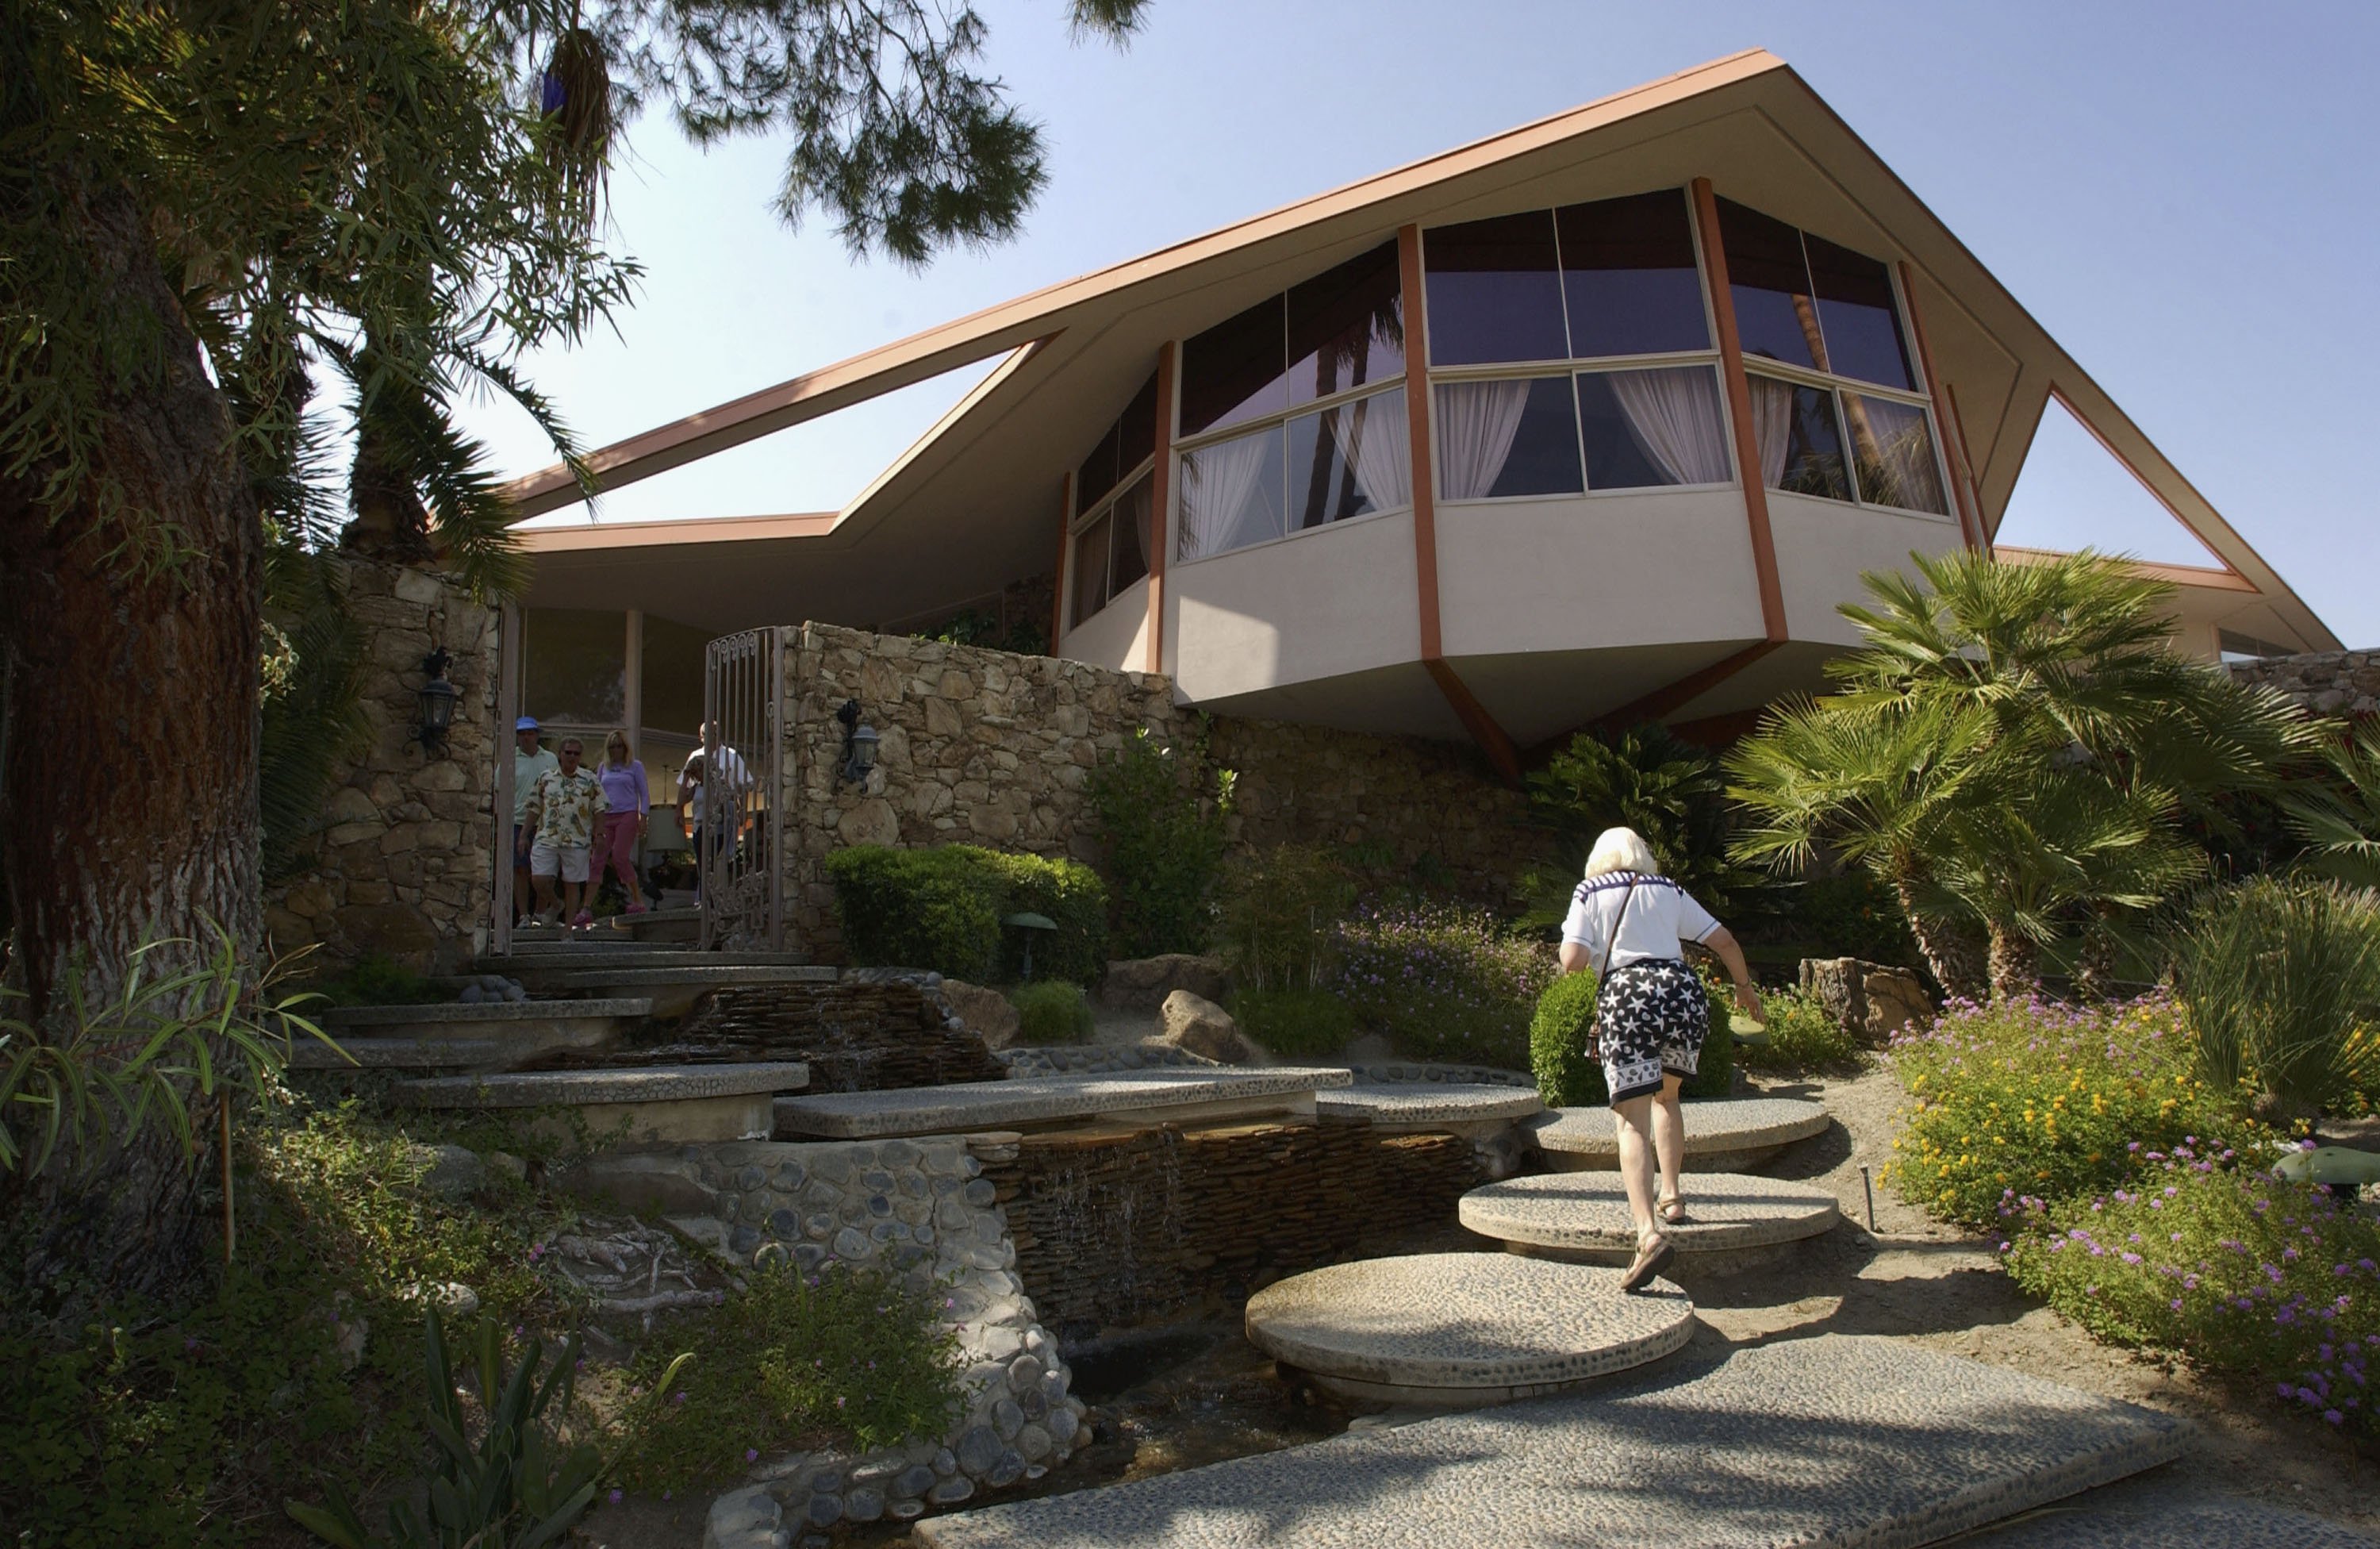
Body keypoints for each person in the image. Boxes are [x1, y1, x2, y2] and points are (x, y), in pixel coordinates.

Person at [1557, 825, 1764, 1293]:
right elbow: (1724, 940)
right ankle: (1672, 1196)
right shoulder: (1668, 889)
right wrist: (1744, 988)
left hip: (1628, 996)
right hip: (1681, 994)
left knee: (1631, 1119)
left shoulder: (1590, 891)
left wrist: (1571, 957)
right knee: (1666, 1098)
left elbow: (1572, 960)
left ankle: (1648, 1234)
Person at [524, 736, 608, 932]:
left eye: (576, 753)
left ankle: (568, 930)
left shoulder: (590, 779)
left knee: (572, 883)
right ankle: (555, 903)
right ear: (560, 754)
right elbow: (534, 807)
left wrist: (600, 834)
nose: (571, 756)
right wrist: (523, 835)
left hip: (577, 840)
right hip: (547, 836)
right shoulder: (546, 777)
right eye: (567, 752)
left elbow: (600, 808)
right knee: (539, 879)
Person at [678, 720, 750, 897]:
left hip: (724, 815)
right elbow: (684, 787)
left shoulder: (731, 756)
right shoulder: (695, 757)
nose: (712, 737)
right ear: (701, 737)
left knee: (719, 859)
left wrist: (743, 810)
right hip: (700, 817)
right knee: (703, 860)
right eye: (708, 734)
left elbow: (744, 784)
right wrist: (678, 810)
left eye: (716, 733)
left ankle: (714, 898)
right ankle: (704, 898)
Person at [591, 729, 651, 916]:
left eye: (619, 746)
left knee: (619, 856)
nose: (616, 750)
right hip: (607, 815)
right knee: (597, 859)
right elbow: (597, 793)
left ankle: (637, 898)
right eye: (612, 746)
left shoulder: (635, 766)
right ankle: (587, 906)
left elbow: (644, 793)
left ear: (625, 748)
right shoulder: (603, 767)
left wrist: (643, 817)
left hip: (627, 814)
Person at [511, 717, 558, 925]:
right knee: (520, 869)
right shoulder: (510, 758)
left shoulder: (550, 759)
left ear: (537, 735)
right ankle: (523, 915)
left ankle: (540, 913)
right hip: (517, 820)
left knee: (543, 871)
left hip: (546, 823)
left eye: (530, 733)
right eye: (522, 733)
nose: (526, 737)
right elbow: (499, 790)